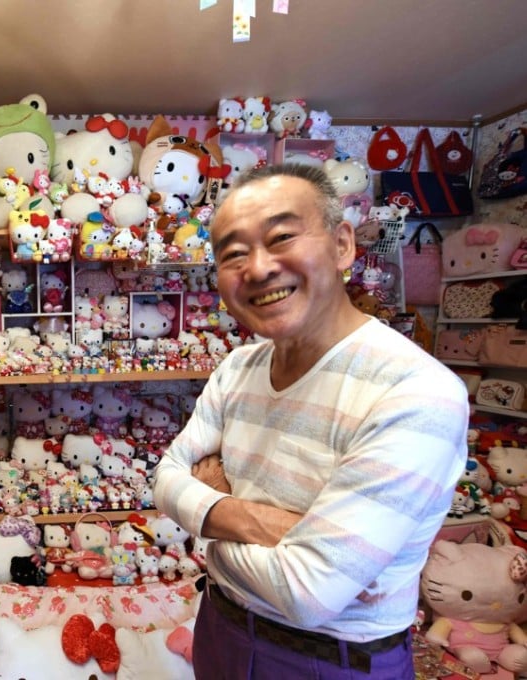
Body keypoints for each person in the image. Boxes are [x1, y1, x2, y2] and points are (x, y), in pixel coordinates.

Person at [154, 164, 467, 679]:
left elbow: (305, 593)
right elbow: (165, 478)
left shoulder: (414, 391)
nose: (257, 268)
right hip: (221, 629)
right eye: (233, 253)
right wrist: (269, 525)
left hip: (330, 662)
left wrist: (203, 523)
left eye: (281, 238)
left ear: (343, 244)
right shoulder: (237, 368)